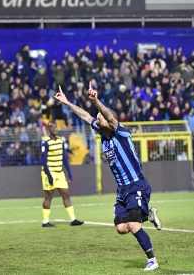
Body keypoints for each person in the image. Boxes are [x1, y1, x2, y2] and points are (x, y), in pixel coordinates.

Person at [54, 83, 162, 272]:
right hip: (122, 189)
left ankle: (152, 259)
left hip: (136, 184)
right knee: (121, 228)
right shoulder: (101, 131)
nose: (98, 118)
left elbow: (110, 118)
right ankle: (148, 214)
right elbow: (85, 115)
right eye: (98, 117)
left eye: (101, 117)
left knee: (133, 225)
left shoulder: (120, 132)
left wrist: (96, 101)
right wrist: (67, 102)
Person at [40, 121, 84, 227]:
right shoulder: (45, 142)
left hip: (59, 173)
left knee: (66, 195)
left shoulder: (60, 140)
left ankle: (73, 219)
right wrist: (49, 176)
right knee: (49, 196)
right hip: (48, 172)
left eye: (55, 127)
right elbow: (43, 161)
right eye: (52, 127)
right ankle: (45, 221)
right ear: (48, 130)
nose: (55, 129)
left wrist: (69, 173)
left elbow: (64, 158)